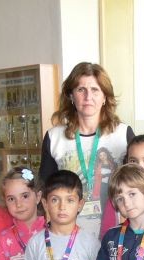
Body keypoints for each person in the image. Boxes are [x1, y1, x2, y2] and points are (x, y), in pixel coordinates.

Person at [39, 62, 135, 239]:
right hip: (68, 235)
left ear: (105, 97)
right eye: (81, 89)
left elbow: (137, 184)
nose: (88, 96)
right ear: (71, 96)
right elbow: (44, 189)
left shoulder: (122, 134)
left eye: (95, 90)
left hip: (115, 233)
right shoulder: (54, 137)